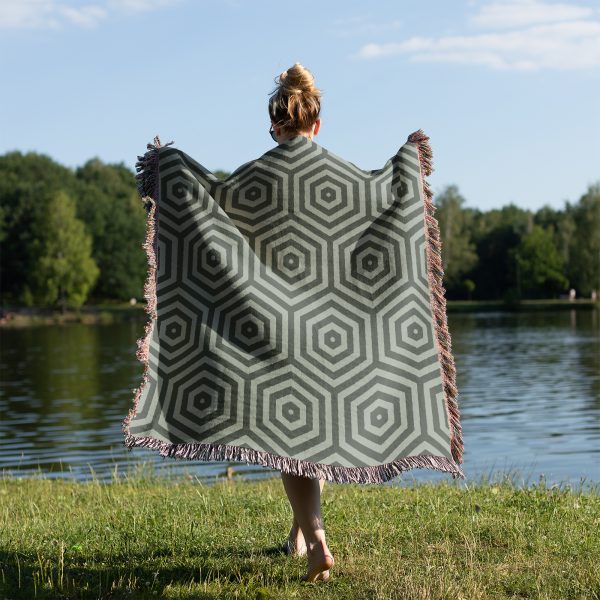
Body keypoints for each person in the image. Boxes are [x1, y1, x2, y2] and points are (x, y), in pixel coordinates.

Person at [268, 62, 333, 583]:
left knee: (287, 439)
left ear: (275, 126)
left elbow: (211, 212)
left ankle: (316, 541)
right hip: (332, 330)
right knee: (314, 432)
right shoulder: (342, 177)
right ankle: (297, 535)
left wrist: (170, 169)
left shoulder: (258, 176)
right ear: (316, 124)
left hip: (275, 326)